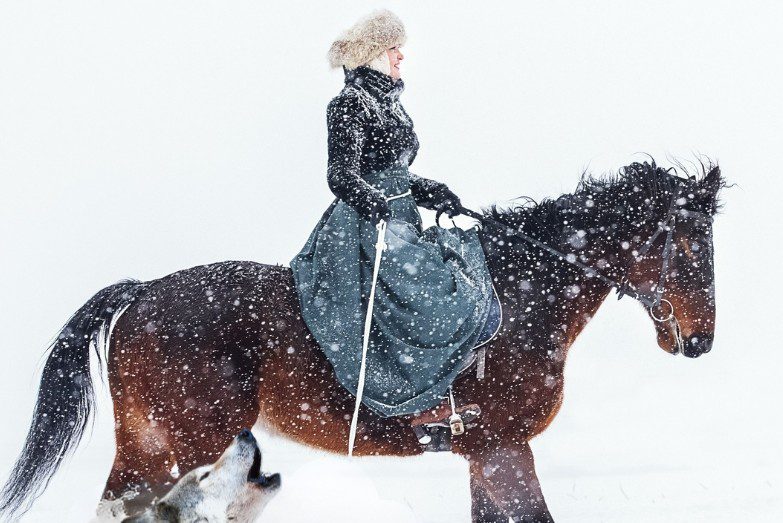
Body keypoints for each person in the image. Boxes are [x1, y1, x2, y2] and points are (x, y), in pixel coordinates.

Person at [291, 10, 499, 429]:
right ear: (372, 54)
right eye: (393, 48)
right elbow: (341, 175)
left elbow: (395, 171)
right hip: (365, 227)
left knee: (457, 277)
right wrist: (374, 202)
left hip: (402, 219)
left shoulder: (390, 104)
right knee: (437, 299)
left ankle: (442, 390)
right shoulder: (349, 104)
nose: (401, 55)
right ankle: (414, 402)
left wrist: (429, 190)